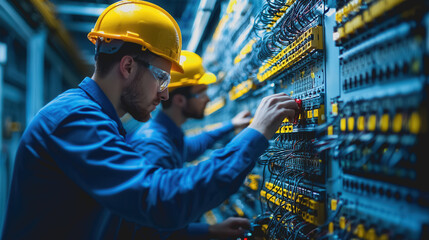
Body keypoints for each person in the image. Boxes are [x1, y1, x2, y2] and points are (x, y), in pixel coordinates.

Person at [1, 1, 298, 239]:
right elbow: (157, 200)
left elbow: (126, 222)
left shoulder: (95, 119)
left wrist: (204, 231)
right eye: (161, 77)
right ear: (128, 66)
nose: (166, 94)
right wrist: (255, 135)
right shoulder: (74, 119)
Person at [126, 50, 253, 239]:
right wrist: (256, 135)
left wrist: (231, 125)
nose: (208, 98)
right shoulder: (153, 146)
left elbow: (191, 147)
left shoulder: (166, 135)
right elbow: (153, 226)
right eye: (201, 93)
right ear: (179, 100)